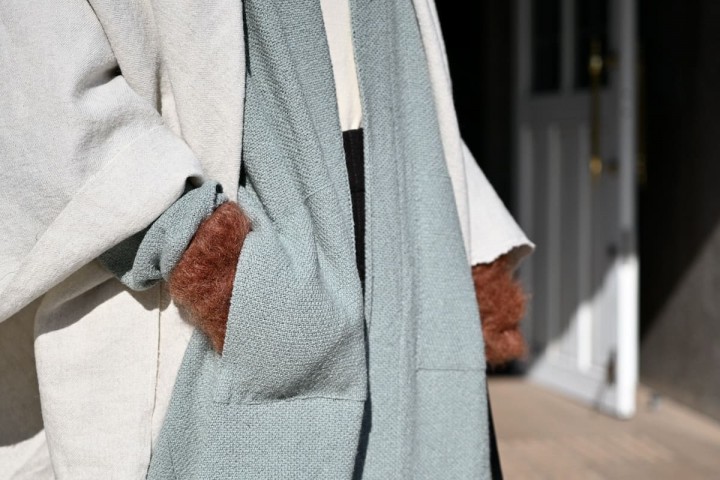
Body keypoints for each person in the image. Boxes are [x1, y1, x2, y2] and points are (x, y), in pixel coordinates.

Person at [0, 0, 532, 478]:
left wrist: (464, 261)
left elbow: (411, 74)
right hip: (223, 258)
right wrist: (205, 256)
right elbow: (35, 77)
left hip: (409, 257)